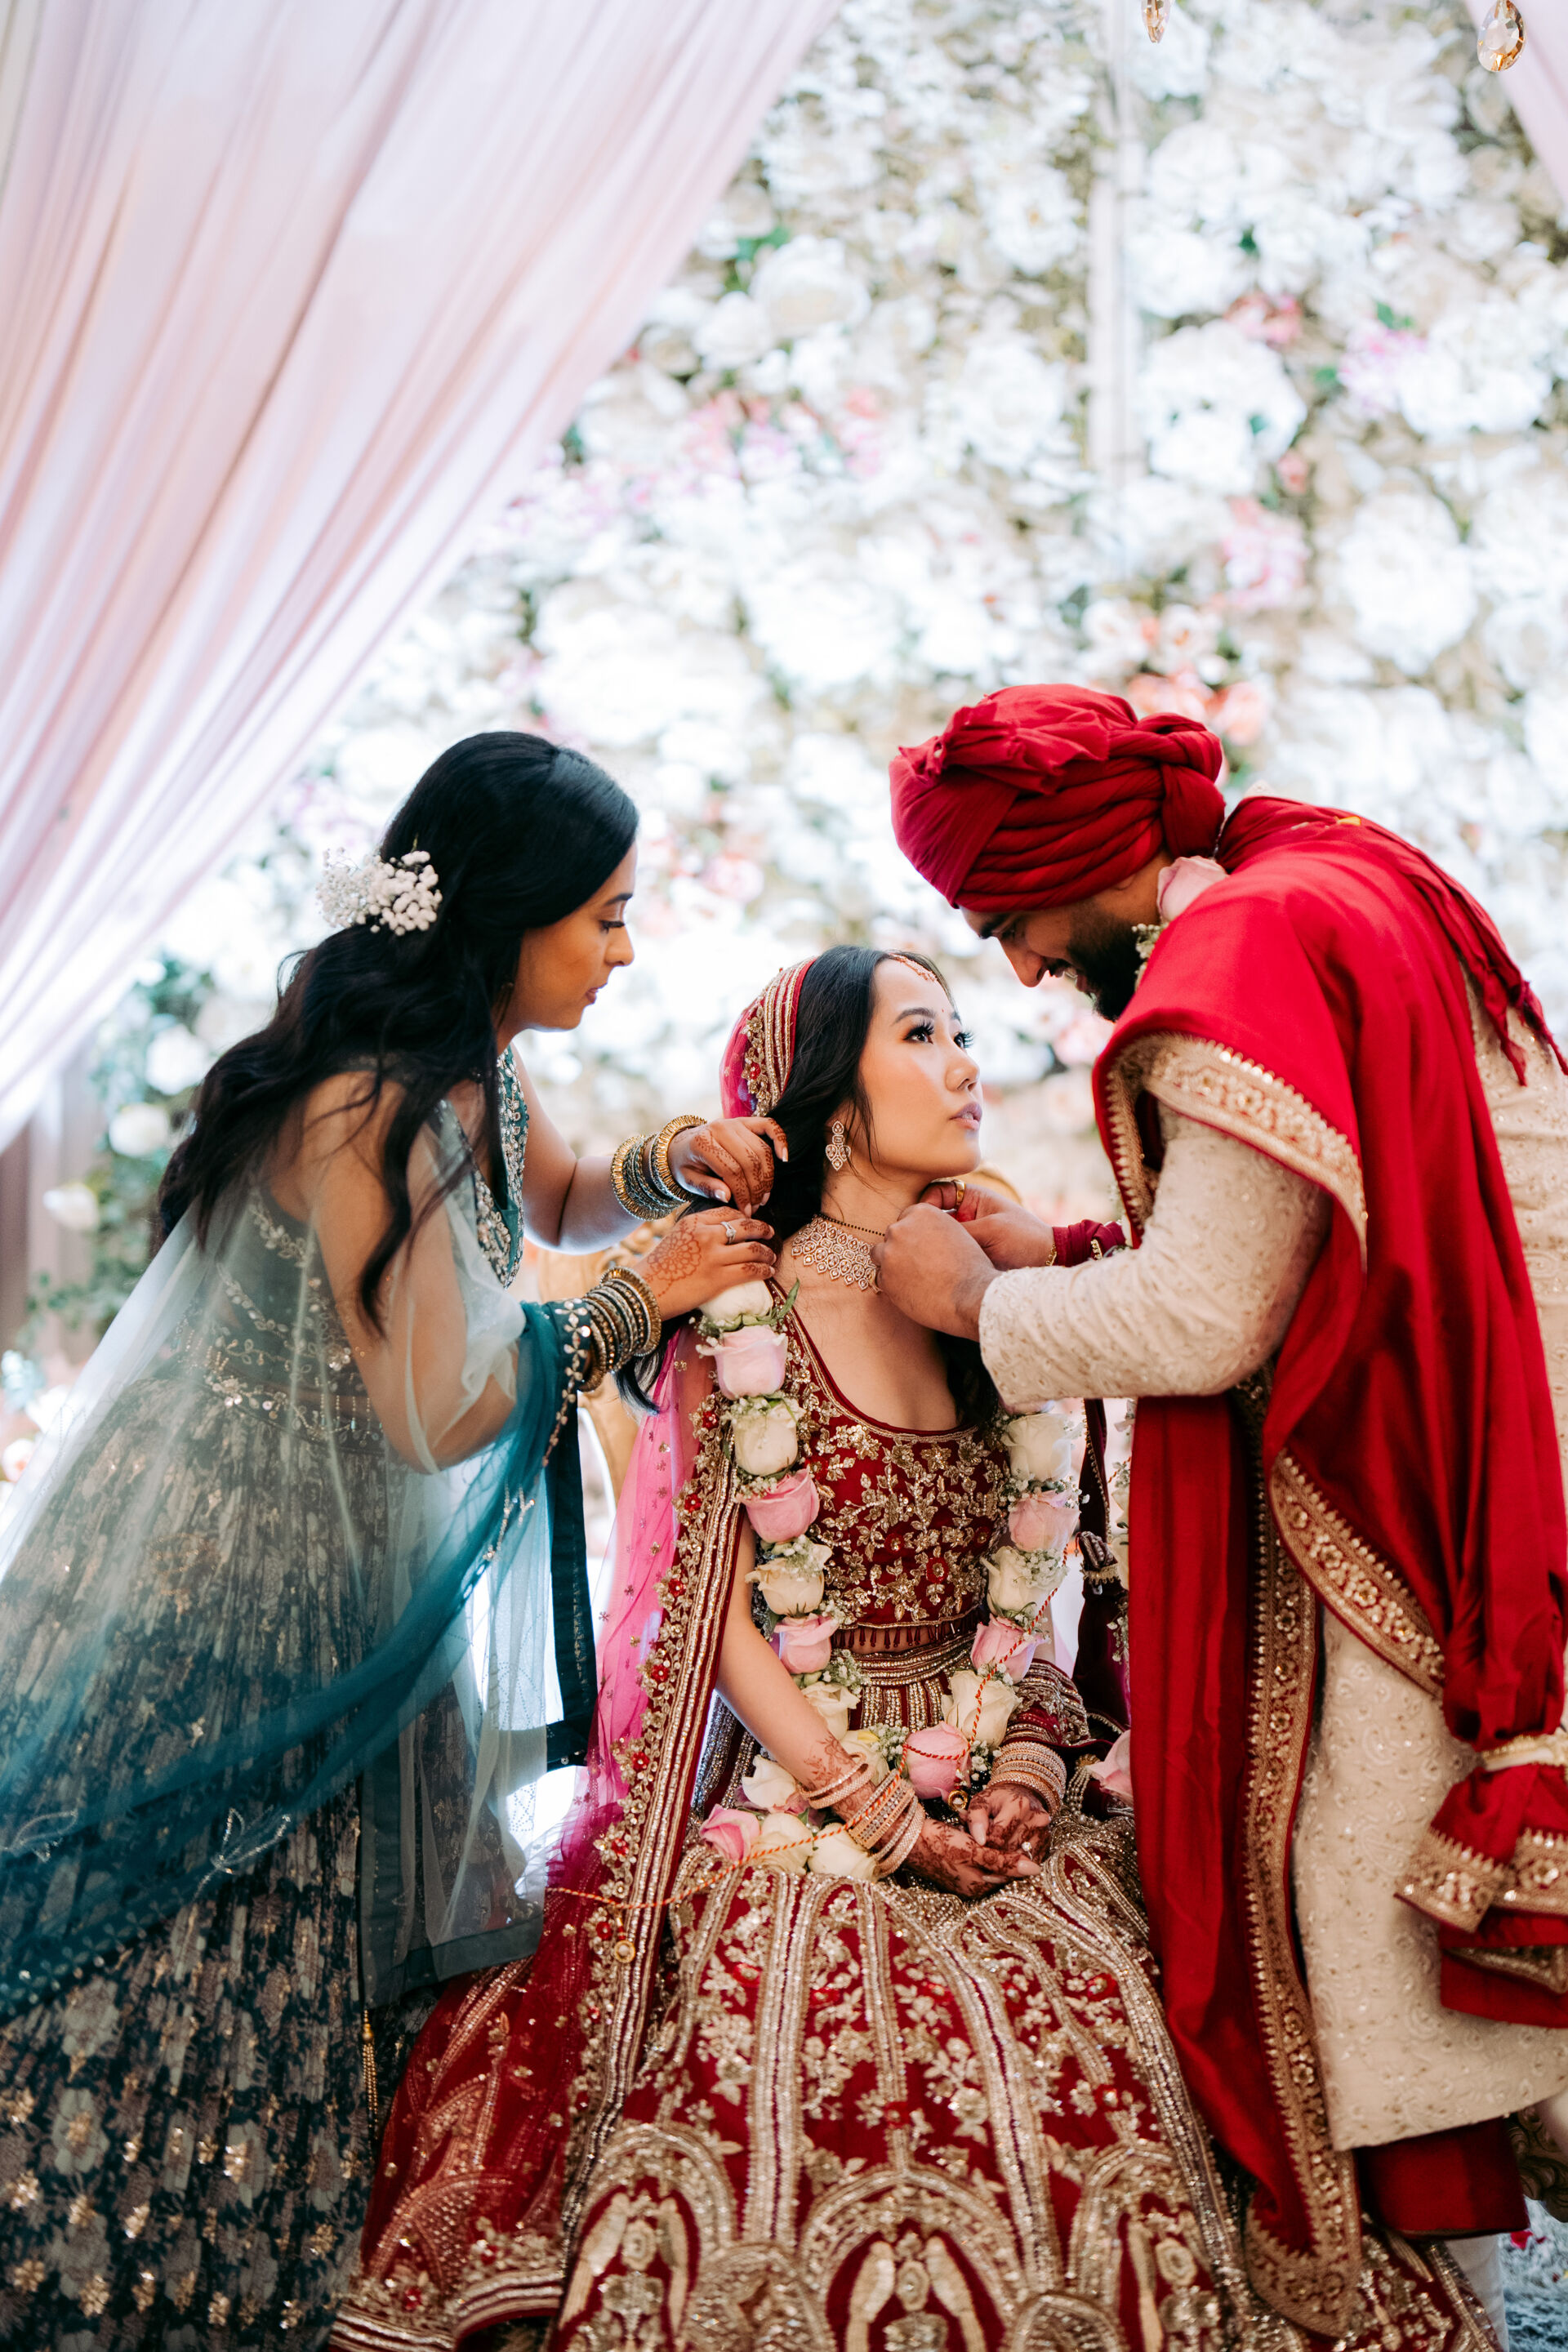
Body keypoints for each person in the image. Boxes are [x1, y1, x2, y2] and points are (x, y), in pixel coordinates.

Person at [336, 945, 1488, 2352]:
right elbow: (714, 1620)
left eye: (962, 1032)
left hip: (996, 1789)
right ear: (829, 1101)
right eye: (923, 1034)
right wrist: (878, 1812)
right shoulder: (739, 1310)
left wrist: (1032, 1769)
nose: (965, 1065)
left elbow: (1033, 1590)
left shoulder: (985, 1294)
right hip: (797, 1800)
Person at [0, 731, 779, 2350]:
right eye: (606, 916)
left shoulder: (474, 1068)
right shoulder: (368, 1104)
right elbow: (438, 1410)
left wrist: (664, 1168)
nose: (626, 950)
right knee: (187, 1957)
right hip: (227, 1592)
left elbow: (552, 1193)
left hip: (338, 1571)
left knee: (316, 1968)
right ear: (507, 913)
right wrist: (641, 1298)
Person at [876, 682, 1568, 2342]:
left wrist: (972, 1304)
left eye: (1008, 922)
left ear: (1077, 864)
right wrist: (1077, 1257)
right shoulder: (1347, 873)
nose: (1021, 972)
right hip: (1493, 1450)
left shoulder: (1240, 952)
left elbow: (1208, 1320)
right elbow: (1337, 1225)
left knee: (1390, 1942)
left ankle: (1440, 2322)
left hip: (1394, 1507)